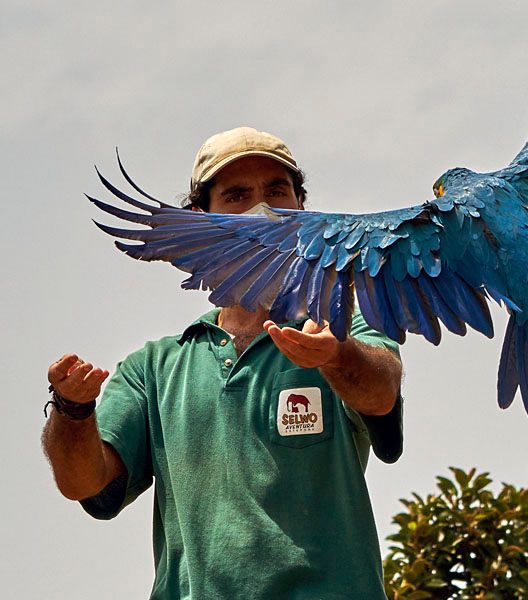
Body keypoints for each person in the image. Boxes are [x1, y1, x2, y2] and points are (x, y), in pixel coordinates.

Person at [42, 127, 404, 599]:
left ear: (302, 207)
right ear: (199, 220)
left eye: (277, 191)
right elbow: (85, 484)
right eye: (237, 195)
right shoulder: (154, 368)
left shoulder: (340, 323)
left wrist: (336, 356)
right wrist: (72, 410)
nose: (262, 209)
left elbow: (382, 392)